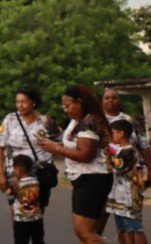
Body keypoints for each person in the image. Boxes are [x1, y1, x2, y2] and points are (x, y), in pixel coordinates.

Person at [39, 84, 112, 244]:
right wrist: (52, 143)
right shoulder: (76, 121)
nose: (65, 110)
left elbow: (85, 154)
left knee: (85, 232)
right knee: (85, 234)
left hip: (93, 179)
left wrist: (57, 148)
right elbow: (72, 145)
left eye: (68, 105)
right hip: (83, 178)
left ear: (80, 102)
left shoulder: (89, 122)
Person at [100, 88, 151, 236]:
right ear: (102, 101)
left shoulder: (130, 121)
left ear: (120, 101)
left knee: (130, 224)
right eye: (107, 98)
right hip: (102, 177)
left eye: (114, 98)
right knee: (101, 217)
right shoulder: (95, 120)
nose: (110, 101)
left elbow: (144, 145)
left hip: (129, 180)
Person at [0, 86, 59, 216]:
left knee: (37, 212)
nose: (20, 105)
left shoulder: (45, 122)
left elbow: (60, 143)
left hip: (39, 175)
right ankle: (19, 237)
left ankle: (36, 236)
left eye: (24, 101)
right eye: (18, 102)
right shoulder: (10, 119)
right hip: (15, 175)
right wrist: (0, 174)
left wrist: (52, 148)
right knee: (17, 211)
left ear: (33, 102)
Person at [106, 119, 148, 244]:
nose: (111, 136)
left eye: (112, 133)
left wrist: (106, 150)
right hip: (120, 195)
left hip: (130, 195)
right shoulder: (121, 150)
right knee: (125, 228)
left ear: (121, 133)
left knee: (136, 228)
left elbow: (117, 167)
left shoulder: (128, 151)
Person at [8, 154, 44, 244]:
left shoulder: (13, 183)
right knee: (38, 240)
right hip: (37, 218)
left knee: (21, 240)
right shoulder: (37, 181)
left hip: (20, 219)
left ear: (17, 169)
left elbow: (10, 198)